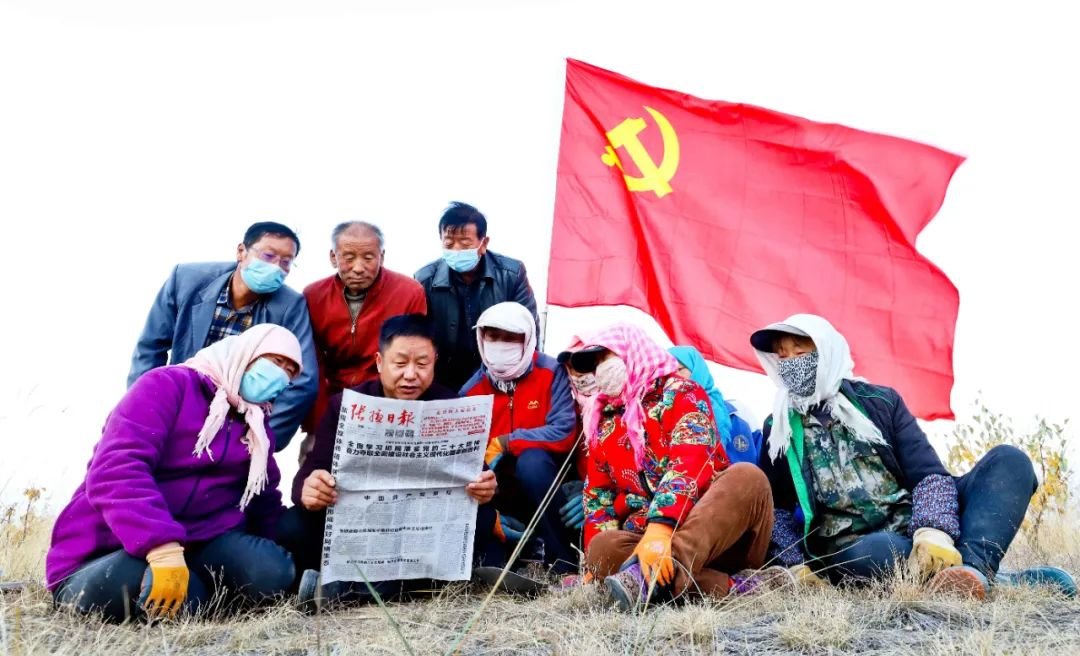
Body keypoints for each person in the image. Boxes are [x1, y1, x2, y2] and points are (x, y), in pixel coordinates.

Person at [753, 313, 1077, 598]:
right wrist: (794, 565)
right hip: (858, 548)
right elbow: (776, 509)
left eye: (801, 352)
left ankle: (971, 570)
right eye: (782, 357)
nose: (791, 363)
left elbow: (928, 475)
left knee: (1010, 461)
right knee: (878, 550)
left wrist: (934, 532)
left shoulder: (880, 402)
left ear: (827, 353)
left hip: (922, 525)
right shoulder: (779, 428)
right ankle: (985, 577)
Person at [48, 324, 303, 622]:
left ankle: (200, 593)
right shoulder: (167, 385)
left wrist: (284, 566)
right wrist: (160, 546)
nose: (280, 376)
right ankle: (195, 596)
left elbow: (263, 499)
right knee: (169, 592)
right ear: (244, 353)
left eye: (289, 372)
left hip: (196, 545)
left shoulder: (256, 427)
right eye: (275, 362)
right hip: (111, 549)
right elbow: (115, 469)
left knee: (272, 570)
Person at [277, 314, 501, 604]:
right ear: (380, 362)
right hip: (360, 529)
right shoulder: (346, 405)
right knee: (292, 525)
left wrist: (486, 487)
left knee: (482, 520)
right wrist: (310, 488)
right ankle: (398, 587)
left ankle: (348, 590)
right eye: (400, 363)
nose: (410, 374)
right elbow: (306, 478)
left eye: (422, 364)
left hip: (421, 536)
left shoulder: (452, 408)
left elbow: (477, 477)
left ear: (434, 362)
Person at [566, 323, 785, 612]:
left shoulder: (683, 394)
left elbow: (690, 462)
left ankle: (649, 579)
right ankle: (743, 588)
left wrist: (660, 531)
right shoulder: (603, 422)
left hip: (717, 533)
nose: (600, 370)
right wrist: (594, 565)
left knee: (748, 477)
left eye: (606, 357)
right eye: (594, 364)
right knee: (603, 548)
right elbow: (598, 496)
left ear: (632, 351)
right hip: (643, 542)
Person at [127, 221, 318, 451]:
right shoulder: (186, 279)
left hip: (235, 423)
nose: (277, 267)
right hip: (177, 404)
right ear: (241, 252)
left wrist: (261, 439)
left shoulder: (290, 306)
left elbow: (303, 380)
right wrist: (142, 408)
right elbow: (151, 347)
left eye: (286, 263)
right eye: (268, 256)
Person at [460, 302, 578, 574]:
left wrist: (508, 441)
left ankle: (564, 562)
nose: (501, 345)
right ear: (481, 339)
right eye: (493, 337)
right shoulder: (471, 391)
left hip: (546, 481)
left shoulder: (551, 372)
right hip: (499, 488)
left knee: (532, 461)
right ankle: (514, 548)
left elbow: (564, 431)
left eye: (511, 337)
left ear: (528, 339)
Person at [301, 221, 427, 441]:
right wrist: (319, 424)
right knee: (314, 470)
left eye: (368, 258)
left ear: (382, 257)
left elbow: (412, 358)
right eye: (348, 258)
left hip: (386, 407)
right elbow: (313, 365)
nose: (358, 268)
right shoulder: (313, 295)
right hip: (332, 404)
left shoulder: (409, 292)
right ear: (333, 257)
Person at [415, 202, 539, 391]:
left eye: (464, 243)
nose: (456, 249)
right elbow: (416, 334)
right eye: (449, 243)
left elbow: (529, 328)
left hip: (498, 374)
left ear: (484, 243)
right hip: (442, 377)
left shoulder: (511, 274)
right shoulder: (425, 279)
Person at [668, 345, 762, 465]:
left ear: (697, 371)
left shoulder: (737, 413)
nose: (674, 377)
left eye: (680, 369)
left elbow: (764, 459)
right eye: (668, 372)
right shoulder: (660, 420)